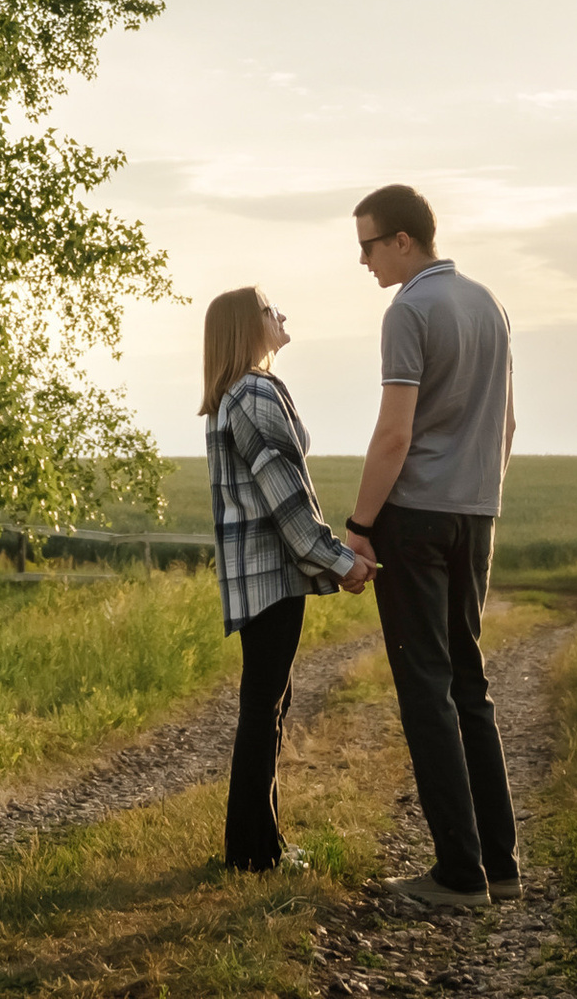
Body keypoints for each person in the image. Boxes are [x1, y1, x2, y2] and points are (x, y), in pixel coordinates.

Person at [342, 184, 520, 913]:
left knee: (426, 690)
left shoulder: (410, 308)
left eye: (368, 245)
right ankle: (499, 864)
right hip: (476, 514)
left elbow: (393, 432)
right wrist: (478, 494)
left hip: (413, 519)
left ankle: (456, 873)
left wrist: (358, 525)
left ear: (405, 240)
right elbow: (508, 425)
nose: (364, 261)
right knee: (469, 685)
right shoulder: (490, 305)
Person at [200, 285, 370, 873]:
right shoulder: (253, 392)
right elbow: (288, 500)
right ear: (249, 327)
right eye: (272, 310)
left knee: (267, 702)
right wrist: (341, 561)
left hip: (261, 579)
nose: (282, 316)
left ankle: (258, 845)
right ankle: (252, 853)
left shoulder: (235, 395)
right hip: (271, 577)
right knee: (264, 706)